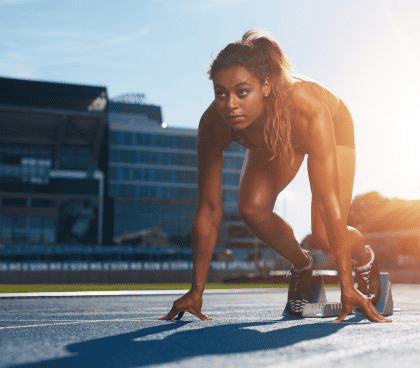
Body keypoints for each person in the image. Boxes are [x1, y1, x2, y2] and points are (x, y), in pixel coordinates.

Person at [160, 30, 391, 323]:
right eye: (221, 93)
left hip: (329, 125)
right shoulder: (214, 123)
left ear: (266, 86)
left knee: (324, 235)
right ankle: (302, 266)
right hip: (277, 135)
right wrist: (196, 290)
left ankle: (366, 259)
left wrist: (346, 286)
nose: (230, 105)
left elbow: (327, 201)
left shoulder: (307, 108)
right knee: (252, 208)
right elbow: (208, 209)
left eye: (242, 92)